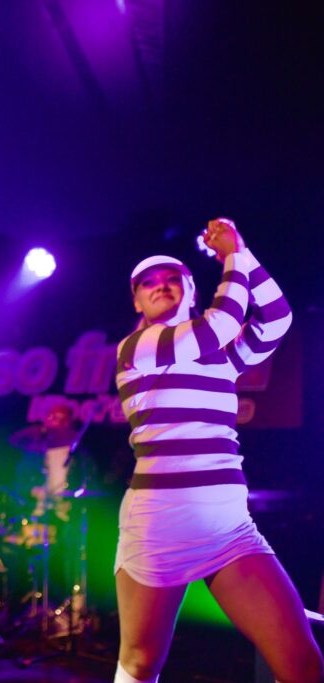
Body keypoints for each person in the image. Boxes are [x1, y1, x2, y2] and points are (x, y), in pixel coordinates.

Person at [112, 218, 322, 682]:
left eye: (173, 278)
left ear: (191, 290)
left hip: (229, 529)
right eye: (148, 282)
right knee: (140, 663)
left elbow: (277, 318)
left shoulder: (220, 358)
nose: (160, 285)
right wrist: (230, 257)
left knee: (303, 665)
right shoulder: (137, 348)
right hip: (160, 526)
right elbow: (220, 324)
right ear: (136, 301)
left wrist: (241, 252)